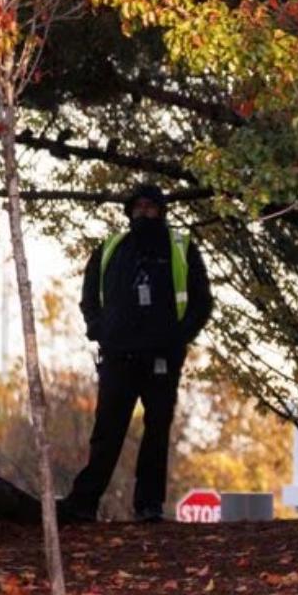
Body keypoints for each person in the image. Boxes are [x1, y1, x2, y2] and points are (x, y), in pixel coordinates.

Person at [57, 183, 213, 524]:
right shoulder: (111, 248)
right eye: (137, 206)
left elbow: (203, 301)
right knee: (107, 431)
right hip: (118, 356)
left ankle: (148, 505)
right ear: (129, 210)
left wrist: (178, 338)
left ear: (161, 210)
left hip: (163, 357)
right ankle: (84, 503)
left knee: (157, 431)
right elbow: (88, 296)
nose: (143, 212)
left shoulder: (181, 248)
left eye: (150, 206)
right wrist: (98, 329)